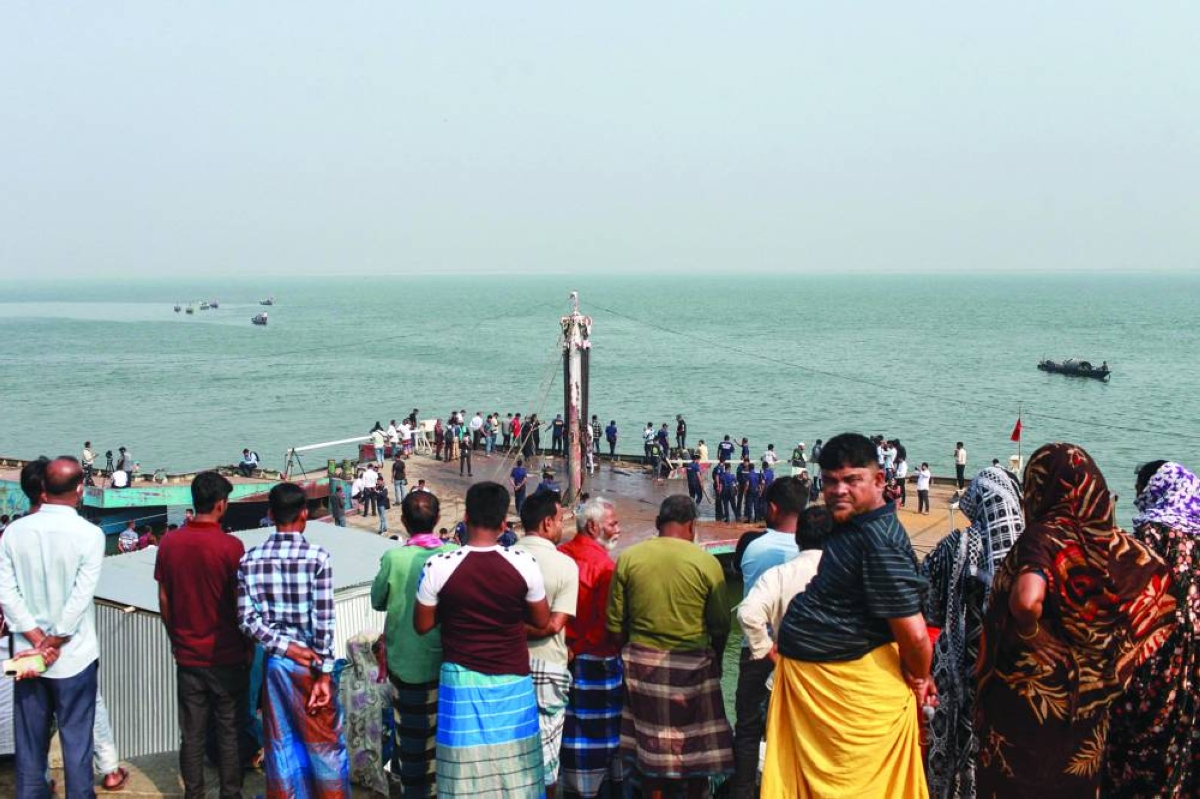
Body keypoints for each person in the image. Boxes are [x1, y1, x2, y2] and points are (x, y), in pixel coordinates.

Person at [975, 443, 1176, 798]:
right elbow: (1161, 585)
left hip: (1027, 704)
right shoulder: (1114, 544)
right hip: (1088, 705)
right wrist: (1118, 654)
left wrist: (1029, 630)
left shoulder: (1045, 534)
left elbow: (1026, 598)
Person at [765, 433, 932, 798]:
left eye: (852, 480)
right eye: (830, 481)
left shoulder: (879, 540)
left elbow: (915, 635)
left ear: (879, 481)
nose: (839, 490)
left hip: (847, 700)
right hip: (819, 691)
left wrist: (920, 679)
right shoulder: (850, 524)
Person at [414, 481, 550, 796]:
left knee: (463, 772)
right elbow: (541, 620)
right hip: (512, 680)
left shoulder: (438, 566)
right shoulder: (524, 562)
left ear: (465, 517)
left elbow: (422, 625)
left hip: (460, 682)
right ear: (504, 524)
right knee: (516, 774)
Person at [607, 495, 734, 796]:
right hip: (693, 668)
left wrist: (629, 654)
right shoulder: (706, 562)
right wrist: (714, 658)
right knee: (696, 746)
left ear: (657, 523)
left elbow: (614, 625)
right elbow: (720, 624)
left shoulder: (629, 558)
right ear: (691, 525)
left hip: (641, 665)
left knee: (649, 750)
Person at [0, 457, 105, 799]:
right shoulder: (90, 535)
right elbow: (80, 596)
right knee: (77, 745)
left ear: (42, 489)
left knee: (29, 746)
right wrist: (54, 640)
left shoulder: (13, 532)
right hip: (73, 656)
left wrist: (33, 636)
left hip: (27, 656)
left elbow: (5, 591)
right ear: (79, 490)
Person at [238, 482, 351, 798]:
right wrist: (324, 674)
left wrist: (286, 647)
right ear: (304, 514)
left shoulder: (250, 560)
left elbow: (248, 621)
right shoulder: (317, 558)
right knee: (324, 744)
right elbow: (324, 620)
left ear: (270, 514)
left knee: (282, 743)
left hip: (278, 666)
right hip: (314, 664)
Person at [920, 466, 1024, 799]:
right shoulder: (1030, 550)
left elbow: (929, 604)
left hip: (957, 666)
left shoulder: (955, 544)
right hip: (1008, 670)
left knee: (954, 745)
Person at [1104, 460, 1199, 797]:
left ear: (1154, 490)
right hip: (1192, 675)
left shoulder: (1150, 535)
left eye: (1139, 490)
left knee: (1135, 761)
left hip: (1150, 669)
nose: (1136, 497)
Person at [155, 470, 249, 799]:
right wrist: (247, 646)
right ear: (221, 505)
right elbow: (241, 605)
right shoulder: (231, 547)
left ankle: (193, 794)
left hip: (188, 655)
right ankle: (230, 793)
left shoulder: (169, 543)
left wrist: (174, 638)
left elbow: (165, 598)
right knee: (229, 731)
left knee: (192, 735)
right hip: (227, 654)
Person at [371, 490, 457, 797]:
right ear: (437, 520)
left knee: (409, 738)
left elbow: (377, 600)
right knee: (440, 736)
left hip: (404, 661)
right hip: (445, 661)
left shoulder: (394, 557)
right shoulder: (451, 554)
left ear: (404, 521)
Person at [730, 476, 807, 798]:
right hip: (800, 655)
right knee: (794, 731)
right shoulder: (813, 552)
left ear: (772, 508)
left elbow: (737, 571)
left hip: (757, 650)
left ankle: (744, 790)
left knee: (747, 729)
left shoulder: (751, 544)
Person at [515, 490, 580, 799]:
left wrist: (508, 631)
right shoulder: (565, 565)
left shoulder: (505, 557)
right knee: (548, 755)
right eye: (560, 520)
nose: (563, 527)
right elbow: (554, 625)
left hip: (506, 664)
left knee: (511, 748)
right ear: (546, 523)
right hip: (549, 666)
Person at [558, 497, 624, 798]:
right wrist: (580, 646)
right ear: (594, 526)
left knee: (565, 734)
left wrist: (569, 647)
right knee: (601, 741)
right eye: (613, 524)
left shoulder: (560, 555)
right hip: (595, 660)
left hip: (561, 655)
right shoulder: (604, 566)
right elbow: (606, 623)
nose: (619, 530)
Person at [737, 504, 830, 662]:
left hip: (789, 669)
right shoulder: (847, 574)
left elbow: (747, 614)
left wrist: (766, 649)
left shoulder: (777, 576)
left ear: (797, 538)